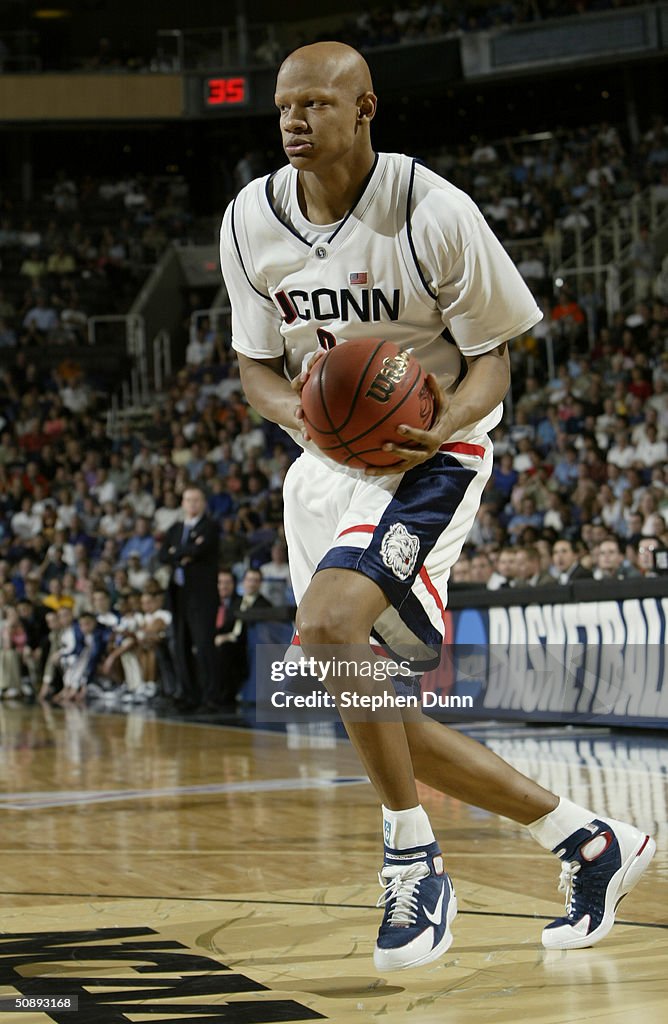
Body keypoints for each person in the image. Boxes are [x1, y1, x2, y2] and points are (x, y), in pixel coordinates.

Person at [219, 41, 655, 972]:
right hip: (323, 469)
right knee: (370, 702)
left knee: (333, 631)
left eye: (316, 105)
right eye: (284, 107)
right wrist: (300, 411)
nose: (296, 121)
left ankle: (414, 856)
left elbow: (495, 355)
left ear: (366, 108)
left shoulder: (433, 210)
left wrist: (439, 421)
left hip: (430, 453)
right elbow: (255, 367)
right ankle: (587, 841)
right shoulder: (250, 217)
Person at [159, 485, 219, 711]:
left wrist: (179, 552)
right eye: (188, 500)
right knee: (181, 645)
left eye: (196, 500)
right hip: (179, 594)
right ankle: (187, 693)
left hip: (202, 596)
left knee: (204, 645)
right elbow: (163, 554)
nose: (192, 504)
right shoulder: (175, 528)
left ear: (203, 503)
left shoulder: (210, 526)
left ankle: (210, 695)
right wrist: (183, 553)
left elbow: (198, 552)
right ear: (182, 503)